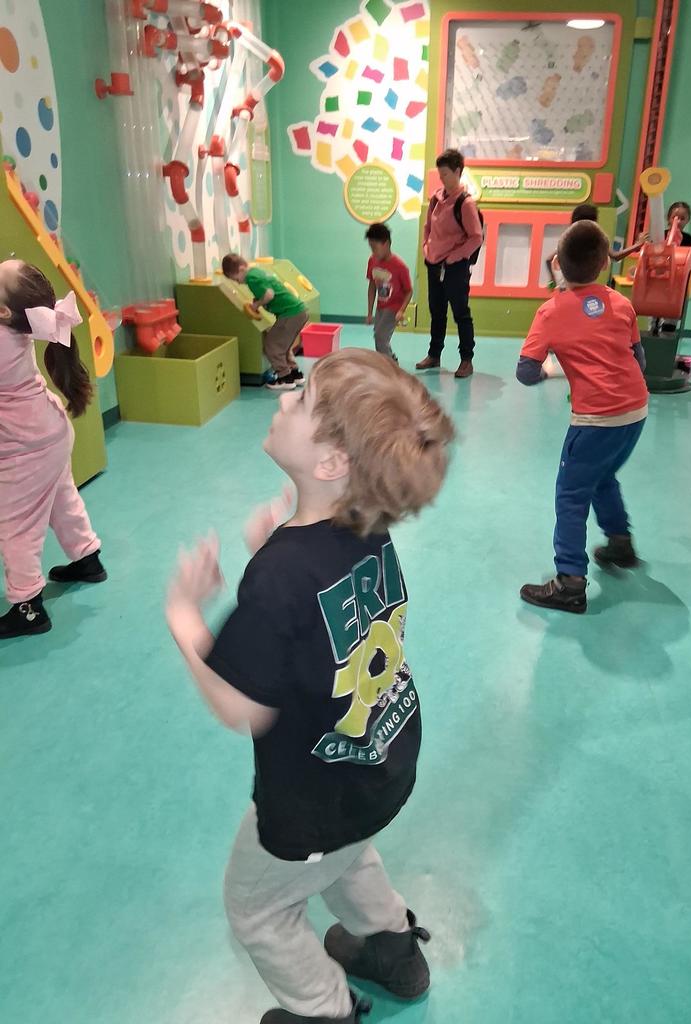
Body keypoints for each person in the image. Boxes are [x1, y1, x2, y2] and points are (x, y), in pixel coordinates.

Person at [166, 349, 455, 1024]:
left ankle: (323, 1009)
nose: (281, 400)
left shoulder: (279, 578)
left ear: (331, 463)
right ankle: (391, 951)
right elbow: (324, 606)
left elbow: (239, 705)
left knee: (257, 909)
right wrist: (274, 543)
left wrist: (184, 618)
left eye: (299, 401)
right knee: (348, 854)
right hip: (376, 763)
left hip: (310, 796)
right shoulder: (369, 527)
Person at [515, 221, 648, 614]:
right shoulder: (621, 304)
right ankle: (620, 543)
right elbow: (639, 361)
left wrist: (550, 372)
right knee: (603, 475)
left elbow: (525, 372)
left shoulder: (551, 312)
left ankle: (570, 582)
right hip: (635, 412)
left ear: (557, 263)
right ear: (605, 263)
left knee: (571, 495)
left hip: (596, 420)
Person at [0, 260, 107, 640]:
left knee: (17, 523)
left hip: (26, 444)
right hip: (50, 430)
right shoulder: (18, 327)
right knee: (62, 499)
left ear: (4, 311)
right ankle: (87, 558)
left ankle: (28, 608)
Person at [416, 148, 482, 379]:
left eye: (445, 174)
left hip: (455, 267)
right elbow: (428, 227)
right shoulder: (436, 199)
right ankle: (434, 354)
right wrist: (426, 247)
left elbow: (476, 237)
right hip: (434, 264)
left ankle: (466, 359)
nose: (442, 178)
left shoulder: (465, 203)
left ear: (457, 172)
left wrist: (455, 257)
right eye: (440, 174)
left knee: (461, 313)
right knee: (437, 312)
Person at [222, 253, 308, 392]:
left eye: (236, 278)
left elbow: (269, 294)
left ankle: (284, 378)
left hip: (290, 314)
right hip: (299, 312)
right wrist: (258, 300)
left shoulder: (251, 278)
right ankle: (295, 373)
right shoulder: (257, 272)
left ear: (242, 269)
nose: (238, 282)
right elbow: (268, 290)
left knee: (271, 345)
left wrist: (256, 305)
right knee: (283, 346)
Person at [545, 203, 648, 290]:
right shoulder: (592, 238)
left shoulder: (571, 238)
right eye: (595, 221)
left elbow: (549, 259)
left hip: (568, 286)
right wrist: (637, 246)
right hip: (577, 287)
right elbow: (615, 256)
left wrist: (552, 279)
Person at [365, 222, 412, 363]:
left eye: (375, 247)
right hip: (380, 307)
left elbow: (409, 291)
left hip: (393, 308)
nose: (373, 251)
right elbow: (372, 286)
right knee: (379, 336)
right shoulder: (372, 261)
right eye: (371, 248)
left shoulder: (400, 267)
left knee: (380, 337)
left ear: (386, 244)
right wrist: (369, 312)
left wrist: (401, 310)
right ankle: (390, 359)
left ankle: (388, 366)